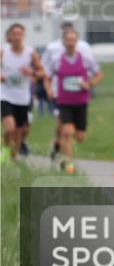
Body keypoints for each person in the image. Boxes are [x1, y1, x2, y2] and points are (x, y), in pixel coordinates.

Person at [43, 27, 102, 174]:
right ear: (63, 42)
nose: (70, 43)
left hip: (81, 101)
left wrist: (89, 84)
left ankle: (57, 145)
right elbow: (47, 77)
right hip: (64, 101)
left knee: (80, 137)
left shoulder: (86, 59)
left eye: (73, 40)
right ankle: (68, 165)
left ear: (77, 41)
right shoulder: (56, 60)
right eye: (67, 40)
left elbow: (99, 74)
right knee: (67, 132)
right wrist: (49, 89)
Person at [1, 23, 44, 160]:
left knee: (20, 131)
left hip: (23, 98)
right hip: (5, 95)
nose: (17, 37)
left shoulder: (30, 53)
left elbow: (42, 72)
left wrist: (32, 72)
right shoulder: (3, 51)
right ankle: (5, 152)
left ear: (24, 36)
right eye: (15, 34)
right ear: (10, 37)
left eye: (20, 34)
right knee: (10, 129)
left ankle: (13, 156)